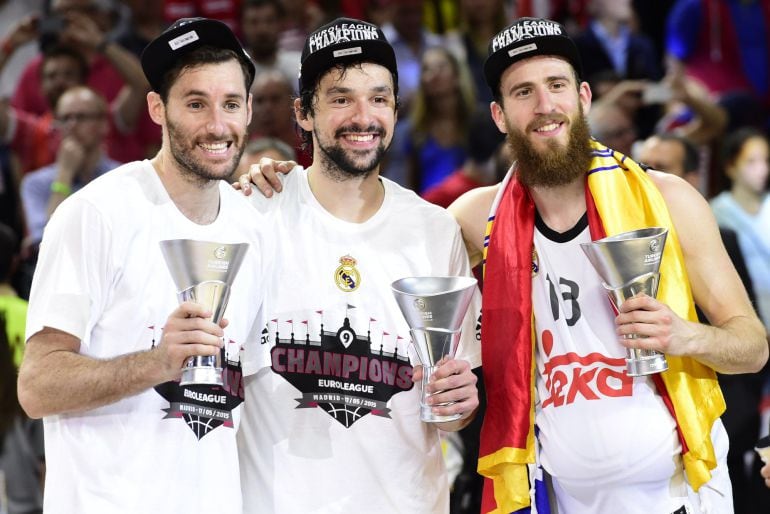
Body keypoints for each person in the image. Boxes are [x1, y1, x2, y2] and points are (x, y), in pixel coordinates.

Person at [446, 17, 767, 513]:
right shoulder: (475, 218)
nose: (545, 105)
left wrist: (685, 336)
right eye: (523, 92)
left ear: (584, 97)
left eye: (557, 85)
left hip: (682, 496)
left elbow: (752, 347)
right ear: (499, 115)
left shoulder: (668, 198)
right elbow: (381, 238)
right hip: (565, 500)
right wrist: (289, 187)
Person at [16, 17, 273, 514]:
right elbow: (36, 385)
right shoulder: (96, 214)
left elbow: (251, 393)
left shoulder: (255, 228)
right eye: (195, 104)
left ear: (248, 112)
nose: (217, 125)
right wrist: (157, 362)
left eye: (231, 104)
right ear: (158, 108)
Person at [235, 17, 481, 513]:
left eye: (379, 97)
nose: (363, 117)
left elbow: (448, 408)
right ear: (303, 112)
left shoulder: (435, 231)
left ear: (396, 107)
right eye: (341, 98)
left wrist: (459, 404)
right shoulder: (253, 213)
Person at [20, 85, 120, 246]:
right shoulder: (35, 183)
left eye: (81, 117)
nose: (72, 125)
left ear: (104, 124)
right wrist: (65, 174)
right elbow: (46, 244)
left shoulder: (123, 177)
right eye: (65, 118)